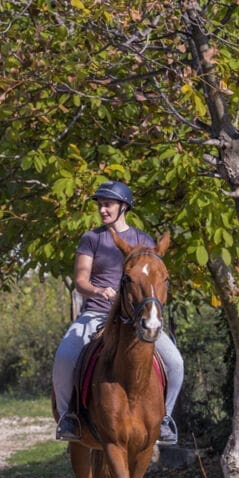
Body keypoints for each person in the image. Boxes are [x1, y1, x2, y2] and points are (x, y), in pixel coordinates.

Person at [52, 180, 183, 445]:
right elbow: (81, 281)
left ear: (123, 207)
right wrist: (98, 291)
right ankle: (68, 416)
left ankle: (165, 419)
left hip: (136, 318)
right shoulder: (91, 239)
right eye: (100, 205)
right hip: (97, 314)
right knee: (64, 357)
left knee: (176, 363)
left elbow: (152, 279)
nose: (102, 210)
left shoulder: (143, 240)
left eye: (108, 205)